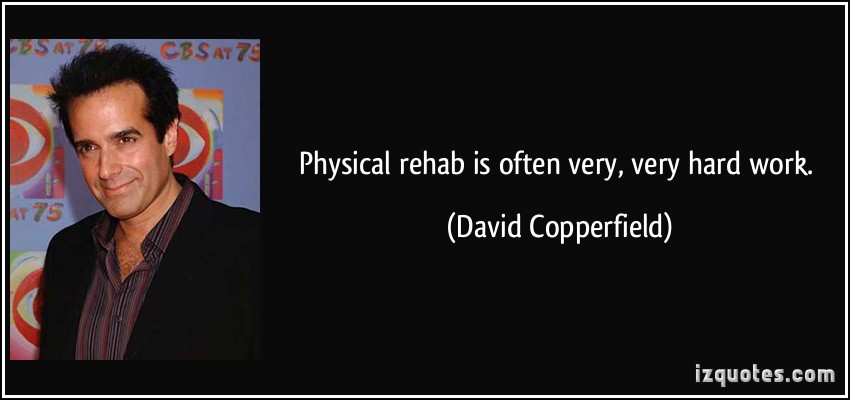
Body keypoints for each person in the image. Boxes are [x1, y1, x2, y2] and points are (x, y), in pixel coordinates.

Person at [37, 44, 260, 360]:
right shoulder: (66, 252)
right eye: (88, 148)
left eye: (125, 140)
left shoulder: (250, 249)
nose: (106, 170)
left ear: (169, 135)